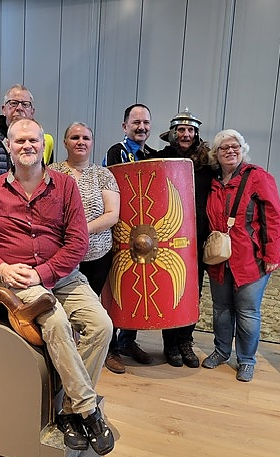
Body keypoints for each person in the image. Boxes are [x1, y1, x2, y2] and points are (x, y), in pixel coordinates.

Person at [0, 118, 115, 456]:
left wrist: (45, 272)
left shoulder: (64, 186)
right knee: (57, 322)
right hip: (16, 280)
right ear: (8, 147)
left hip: (64, 275)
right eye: (19, 141)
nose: (26, 146)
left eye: (33, 140)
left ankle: (70, 412)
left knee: (102, 326)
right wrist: (1, 267)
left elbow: (78, 242)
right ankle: (89, 412)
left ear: (43, 144)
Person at [201, 129, 280, 382]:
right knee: (221, 309)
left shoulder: (257, 177)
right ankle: (222, 351)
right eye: (224, 148)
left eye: (235, 146)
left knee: (248, 311)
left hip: (250, 259)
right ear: (216, 154)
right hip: (219, 258)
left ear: (243, 149)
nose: (230, 151)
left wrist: (272, 254)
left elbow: (273, 217)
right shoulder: (212, 181)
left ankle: (246, 360)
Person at [155, 108, 215, 368]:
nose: (185, 135)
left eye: (190, 130)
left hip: (196, 239)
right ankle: (170, 346)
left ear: (196, 133)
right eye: (181, 130)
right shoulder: (160, 159)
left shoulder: (206, 163)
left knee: (192, 293)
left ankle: (185, 342)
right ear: (172, 133)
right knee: (171, 289)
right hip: (168, 237)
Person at [102, 103, 158, 374]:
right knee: (113, 290)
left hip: (143, 234)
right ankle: (110, 347)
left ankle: (128, 341)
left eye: (146, 122)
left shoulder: (151, 155)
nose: (142, 127)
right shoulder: (117, 152)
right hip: (119, 232)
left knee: (138, 284)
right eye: (136, 122)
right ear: (125, 126)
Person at [49, 122, 120, 294]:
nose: (81, 141)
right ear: (65, 142)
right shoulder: (50, 172)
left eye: (86, 138)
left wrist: (81, 230)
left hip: (97, 256)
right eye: (75, 138)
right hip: (58, 254)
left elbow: (112, 215)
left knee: (90, 309)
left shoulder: (103, 174)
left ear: (92, 143)